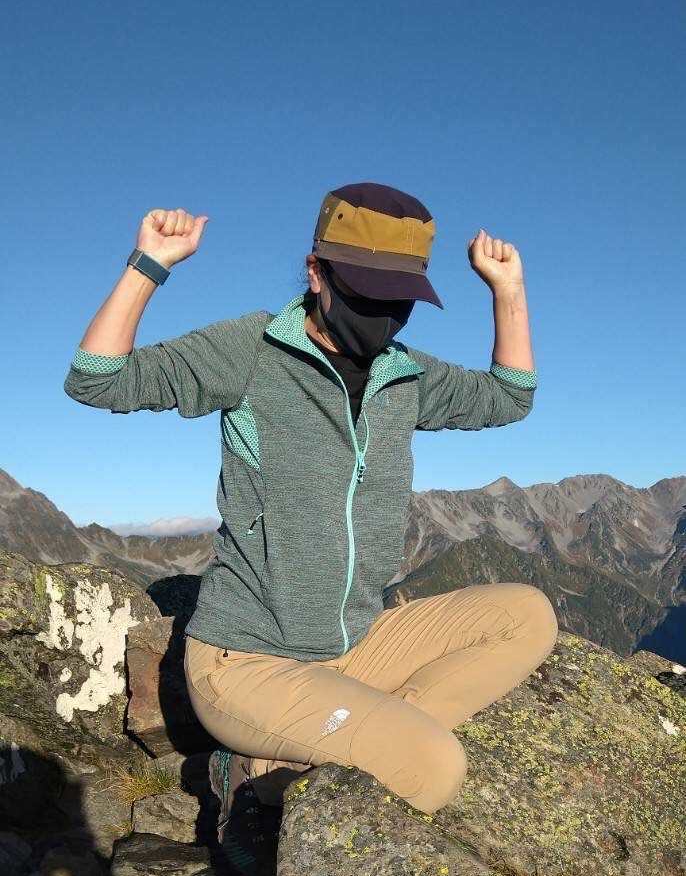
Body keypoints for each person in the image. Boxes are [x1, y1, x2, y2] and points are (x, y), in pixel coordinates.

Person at [63, 181, 558, 831]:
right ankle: (261, 773)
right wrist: (150, 263)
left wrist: (507, 289)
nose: (381, 313)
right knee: (433, 767)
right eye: (364, 292)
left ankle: (301, 758)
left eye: (399, 299)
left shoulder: (403, 375)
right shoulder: (253, 352)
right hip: (248, 662)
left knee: (527, 615)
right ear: (316, 271)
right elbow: (97, 380)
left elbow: (509, 397)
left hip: (357, 642)